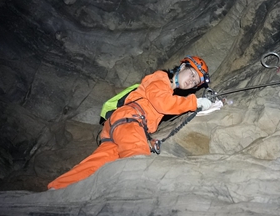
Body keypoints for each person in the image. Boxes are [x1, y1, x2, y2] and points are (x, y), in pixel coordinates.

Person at [48, 56, 213, 190]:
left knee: (97, 164)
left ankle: (57, 188)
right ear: (183, 67)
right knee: (137, 162)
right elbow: (163, 103)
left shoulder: (167, 88)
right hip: (129, 120)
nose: (192, 81)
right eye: (192, 74)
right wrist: (195, 103)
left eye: (195, 82)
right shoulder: (160, 78)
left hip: (120, 126)